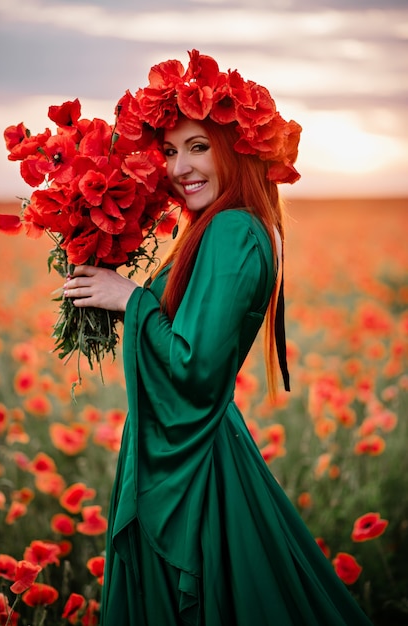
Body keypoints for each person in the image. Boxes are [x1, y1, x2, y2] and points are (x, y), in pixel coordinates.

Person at [63, 51, 372, 625]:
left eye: (198, 147)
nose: (180, 167)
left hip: (195, 465)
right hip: (191, 446)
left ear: (235, 150)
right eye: (172, 151)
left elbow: (196, 365)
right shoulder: (221, 228)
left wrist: (130, 299)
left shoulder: (232, 229)